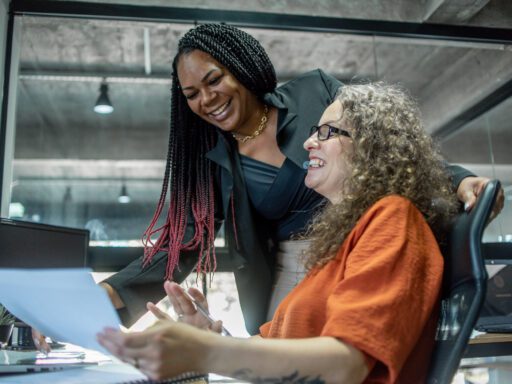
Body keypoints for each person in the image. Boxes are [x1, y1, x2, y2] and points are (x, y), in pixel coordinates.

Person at [97, 24, 503, 335]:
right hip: (289, 276)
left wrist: (459, 182)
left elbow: (386, 145)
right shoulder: (211, 162)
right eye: (191, 94)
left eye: (214, 80)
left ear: (240, 66)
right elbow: (179, 246)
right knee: (284, 362)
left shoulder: (316, 93)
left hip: (364, 251)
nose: (206, 100)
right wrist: (110, 293)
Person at [98, 83, 459, 384]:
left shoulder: (393, 220)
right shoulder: (339, 244)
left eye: (327, 132)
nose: (308, 143)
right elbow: (275, 353)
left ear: (372, 145)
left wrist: (206, 352)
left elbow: (347, 362)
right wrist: (209, 336)